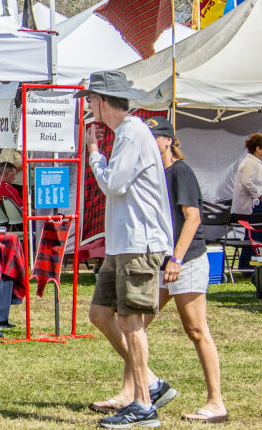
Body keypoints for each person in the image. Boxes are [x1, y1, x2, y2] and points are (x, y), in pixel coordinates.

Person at [81, 71, 175, 429]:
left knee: (131, 321)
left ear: (103, 101)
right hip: (123, 243)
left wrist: (93, 153)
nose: (89, 106)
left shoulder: (133, 133)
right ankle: (149, 382)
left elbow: (112, 184)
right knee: (101, 314)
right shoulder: (127, 134)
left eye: (91, 100)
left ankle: (144, 405)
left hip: (140, 241)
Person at [145, 117, 227, 423]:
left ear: (168, 141)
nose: (151, 145)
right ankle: (139, 390)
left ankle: (216, 402)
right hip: (163, 263)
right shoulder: (156, 174)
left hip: (186, 261)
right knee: (135, 324)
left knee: (195, 329)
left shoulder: (180, 171)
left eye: (155, 139)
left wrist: (177, 260)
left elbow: (192, 218)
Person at [232, 133, 262, 272]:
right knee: (255, 237)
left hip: (254, 204)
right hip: (251, 206)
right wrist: (259, 195)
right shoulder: (250, 162)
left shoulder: (255, 162)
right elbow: (247, 182)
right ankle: (250, 267)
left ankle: (247, 266)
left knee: (253, 237)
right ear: (258, 148)